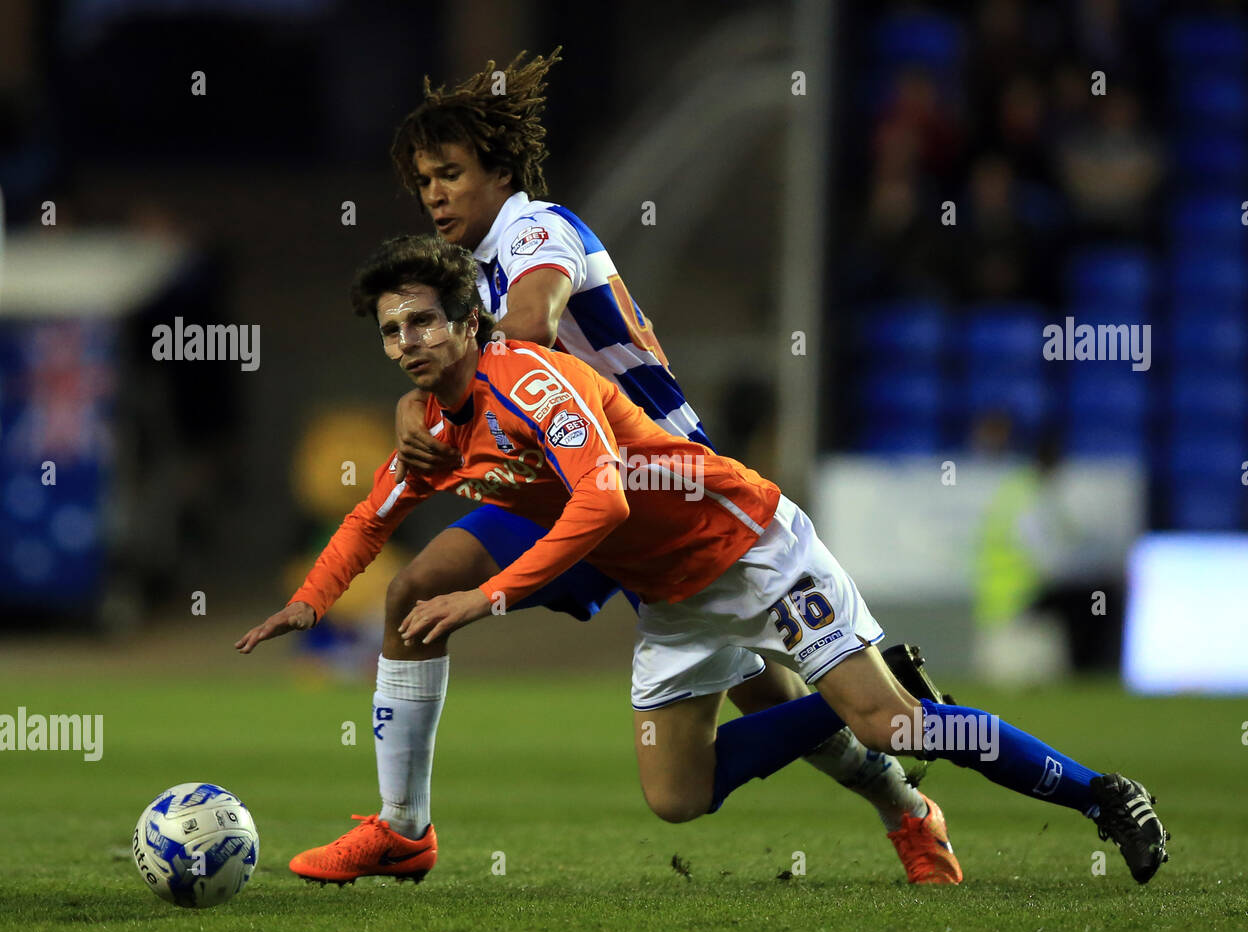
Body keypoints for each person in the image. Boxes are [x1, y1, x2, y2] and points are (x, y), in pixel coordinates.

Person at [238, 236, 1171, 886]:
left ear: (471, 322)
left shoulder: (532, 379)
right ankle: (830, 714)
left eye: (424, 324)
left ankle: (1103, 794)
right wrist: (310, 602)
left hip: (754, 550)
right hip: (674, 598)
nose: (408, 344)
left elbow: (601, 499)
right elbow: (372, 516)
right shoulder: (439, 426)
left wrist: (487, 597)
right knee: (677, 798)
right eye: (393, 332)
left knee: (894, 729)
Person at [244, 49, 961, 885]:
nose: (434, 193)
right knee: (412, 592)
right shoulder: (468, 269)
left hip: (652, 482)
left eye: (449, 173)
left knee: (775, 702)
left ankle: (908, 809)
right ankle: (404, 828)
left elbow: (536, 323)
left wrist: (439, 395)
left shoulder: (536, 229)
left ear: (499, 170)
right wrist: (421, 404)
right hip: (557, 482)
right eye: (422, 180)